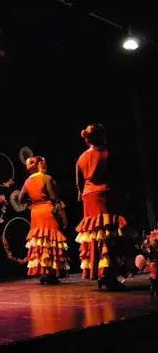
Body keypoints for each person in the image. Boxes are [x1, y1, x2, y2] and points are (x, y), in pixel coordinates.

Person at [76, 123, 130, 290]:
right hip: (104, 193)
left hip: (88, 196)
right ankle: (109, 275)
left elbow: (78, 183)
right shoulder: (107, 153)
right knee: (108, 234)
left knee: (95, 234)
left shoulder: (81, 158)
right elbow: (117, 176)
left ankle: (101, 274)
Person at [18, 156, 69, 284]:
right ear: (41, 164)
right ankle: (51, 273)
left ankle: (44, 272)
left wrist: (32, 201)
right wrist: (63, 216)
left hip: (35, 212)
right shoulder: (46, 178)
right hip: (47, 210)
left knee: (40, 242)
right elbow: (54, 198)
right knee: (50, 240)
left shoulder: (27, 181)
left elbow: (20, 199)